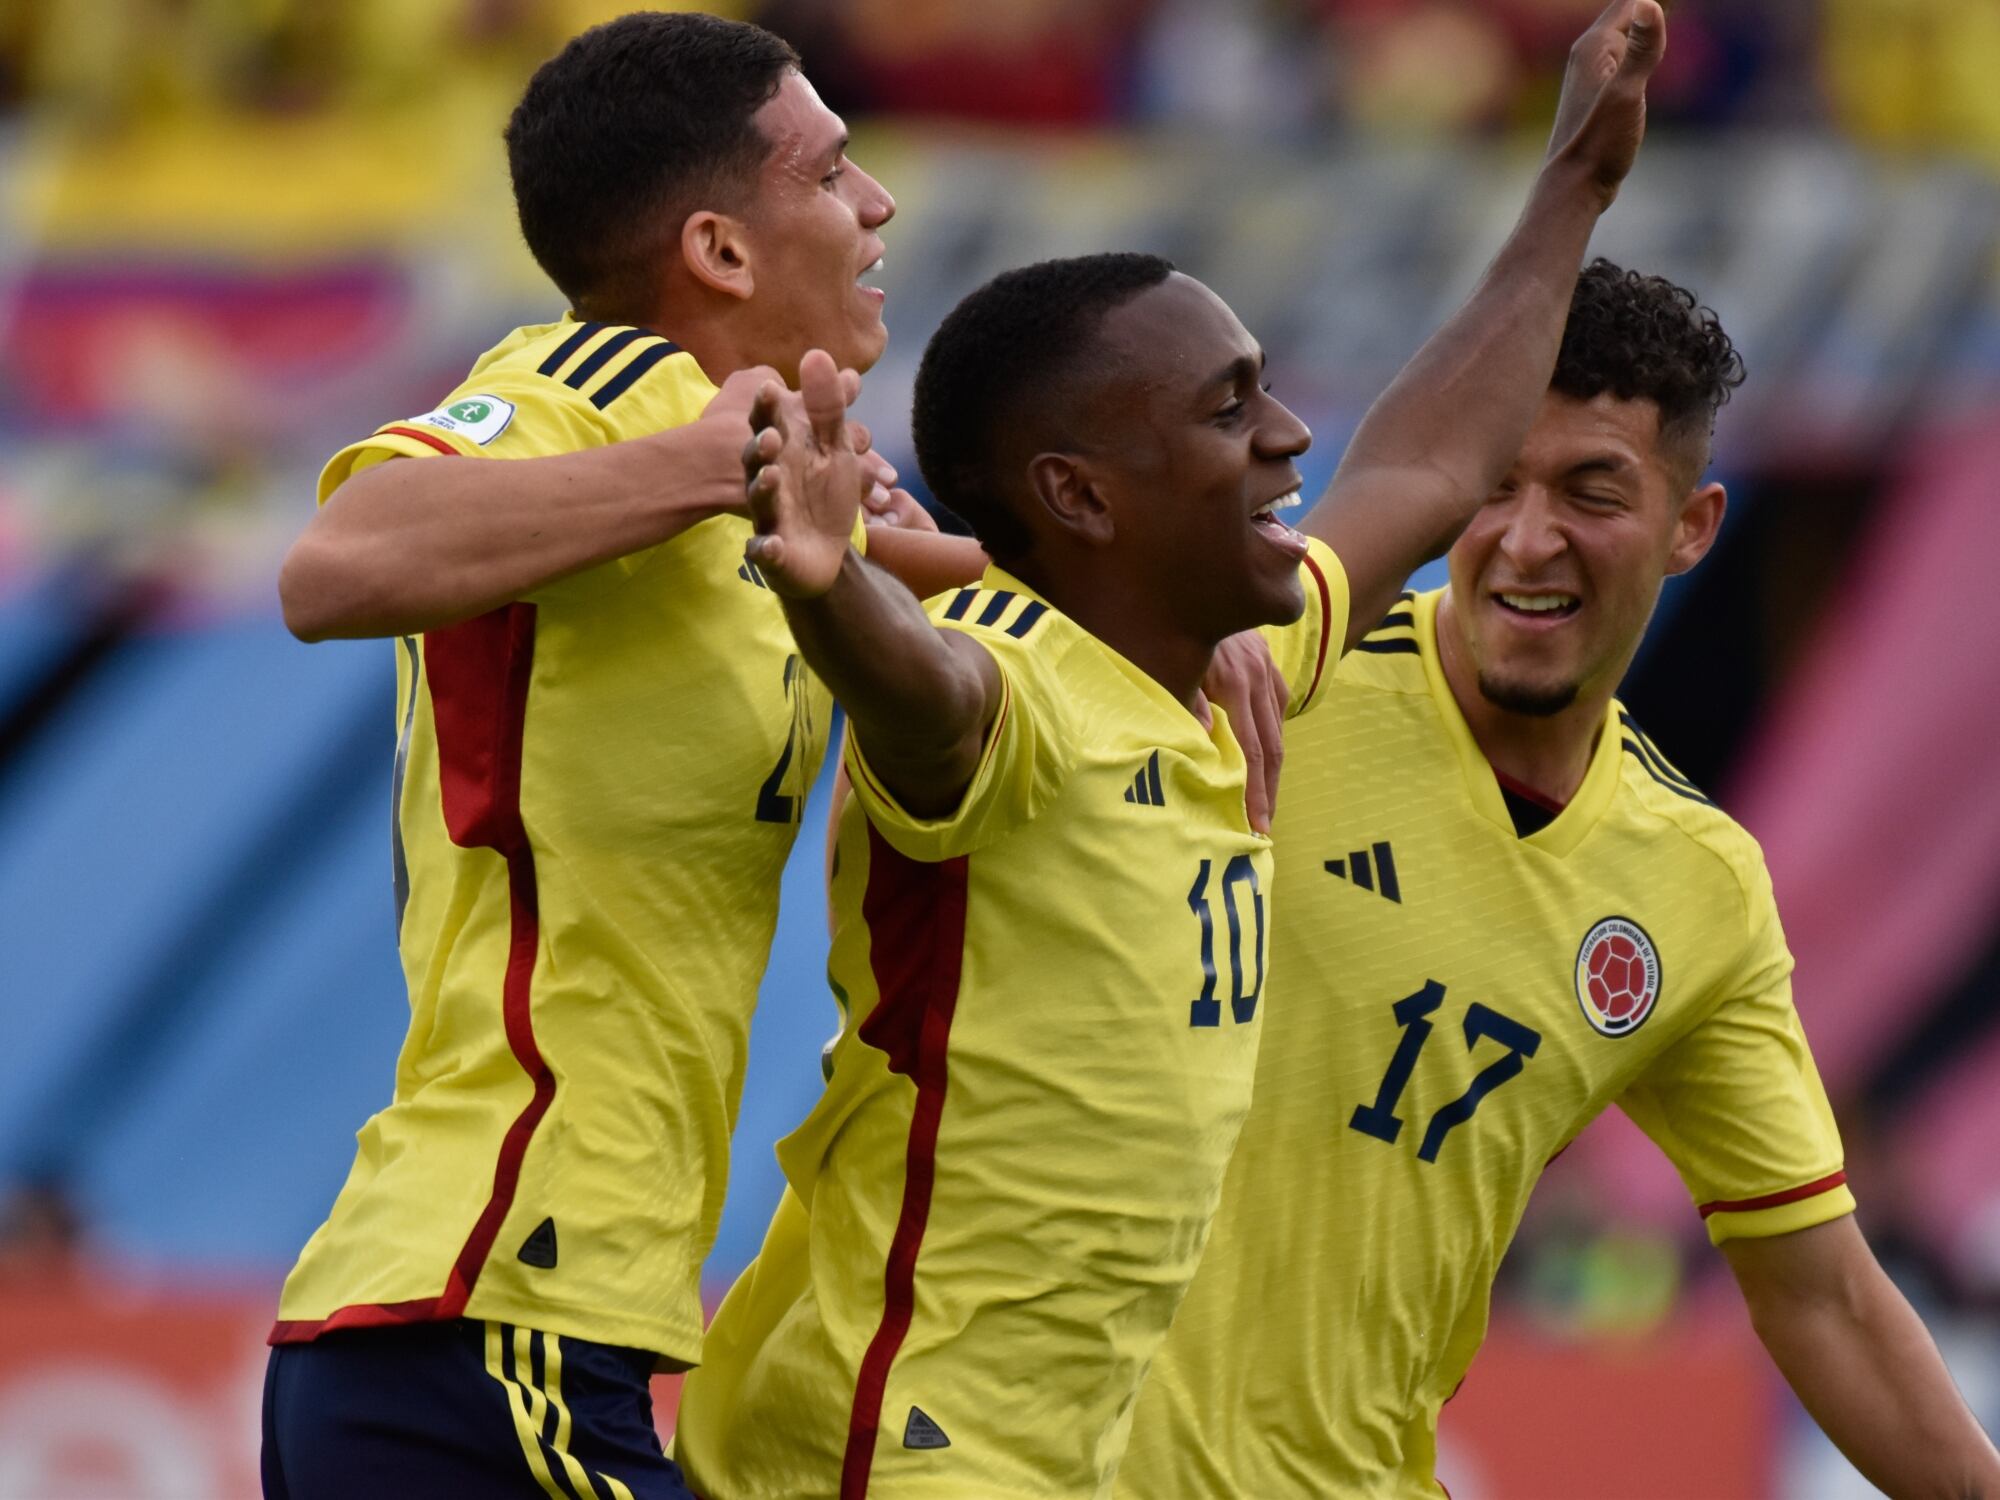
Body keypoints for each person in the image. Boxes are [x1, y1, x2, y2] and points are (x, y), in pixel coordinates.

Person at [673, 9, 1666, 1496]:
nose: (1289, 435)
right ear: (1080, 496)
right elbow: (930, 705)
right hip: (883, 1450)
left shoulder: (1223, 668)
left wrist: (1576, 183)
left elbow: (1427, 461)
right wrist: (830, 593)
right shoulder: (1018, 684)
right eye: (1227, 409)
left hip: (1035, 1458)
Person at [1114, 260, 2000, 1500]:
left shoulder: (1692, 887)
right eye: (1493, 485)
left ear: (1692, 527)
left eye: (1591, 492)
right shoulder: (1259, 683)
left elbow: (1821, 1295)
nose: (1528, 540)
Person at [261, 14, 937, 1498]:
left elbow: (977, 608)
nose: (877, 203)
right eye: (832, 172)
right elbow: (335, 564)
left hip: (526, 1320)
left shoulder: (770, 481)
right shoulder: (599, 382)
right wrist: (712, 463)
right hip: (485, 1314)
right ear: (720, 250)